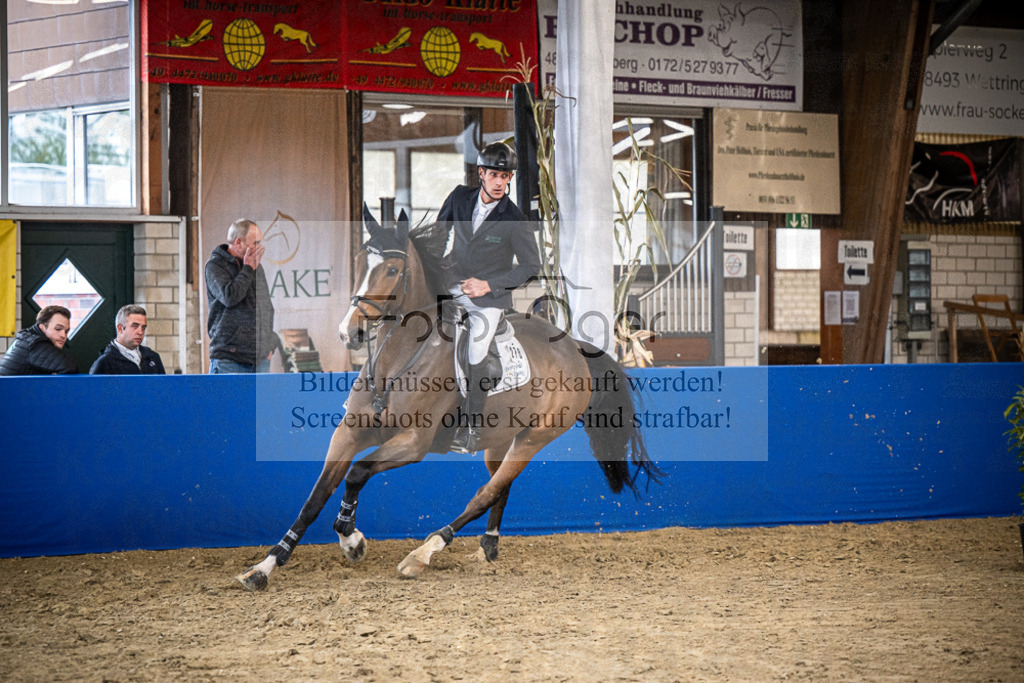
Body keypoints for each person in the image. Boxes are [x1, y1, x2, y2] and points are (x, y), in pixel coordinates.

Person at [437, 141, 540, 452]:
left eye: (506, 177)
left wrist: (489, 285)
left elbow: (532, 267)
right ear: (481, 173)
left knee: (476, 351)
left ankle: (470, 429)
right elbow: (438, 237)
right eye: (494, 174)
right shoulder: (458, 197)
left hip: (488, 300)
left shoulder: (515, 219)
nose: (500, 182)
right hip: (450, 287)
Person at [205, 218, 275, 373]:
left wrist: (270, 344)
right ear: (238, 242)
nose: (260, 247)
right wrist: (248, 268)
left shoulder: (257, 267)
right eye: (255, 243)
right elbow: (230, 297)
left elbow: (266, 306)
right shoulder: (215, 266)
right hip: (229, 359)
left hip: (259, 359)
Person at [0, 305, 78, 375]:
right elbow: (69, 366)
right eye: (58, 329)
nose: (63, 335)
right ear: (42, 328)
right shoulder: (35, 344)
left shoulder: (27, 339)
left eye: (66, 331)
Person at [89, 304, 166, 375]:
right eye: (135, 326)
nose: (140, 332)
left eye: (143, 327)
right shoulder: (104, 363)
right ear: (120, 328)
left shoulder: (153, 357)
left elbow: (164, 388)